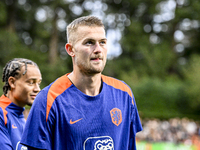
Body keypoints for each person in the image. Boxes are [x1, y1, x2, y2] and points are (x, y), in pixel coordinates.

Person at [21, 16, 142, 150]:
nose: (98, 49)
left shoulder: (124, 93)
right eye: (89, 43)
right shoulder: (48, 100)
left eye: (102, 42)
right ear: (70, 49)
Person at [0, 58, 42, 150]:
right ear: (12, 82)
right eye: (31, 82)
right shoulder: (2, 114)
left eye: (38, 83)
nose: (37, 89)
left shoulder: (24, 119)